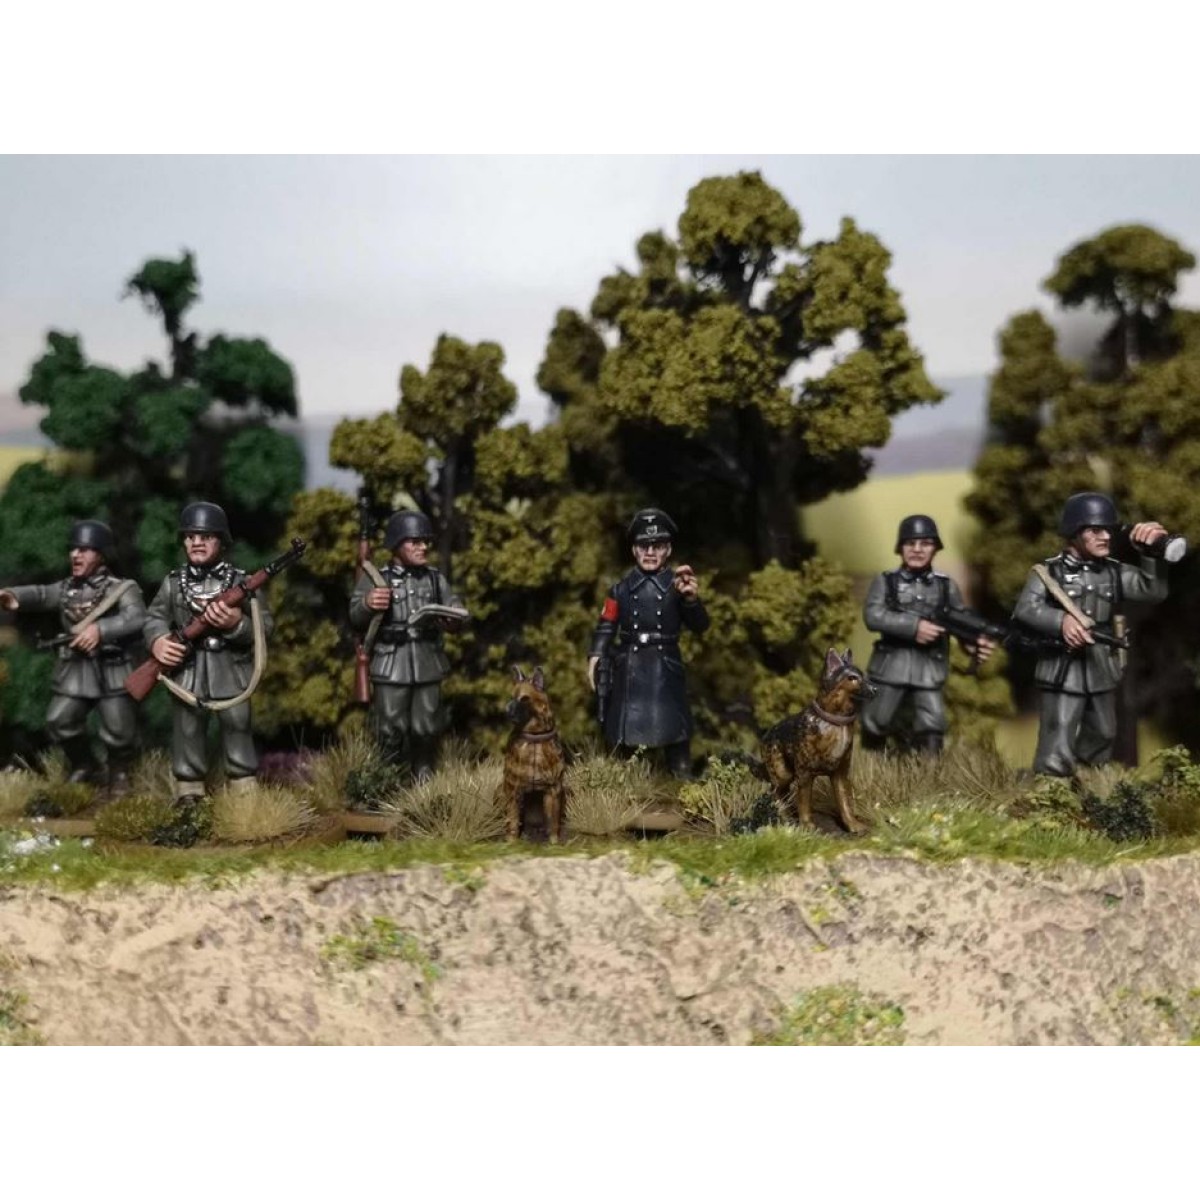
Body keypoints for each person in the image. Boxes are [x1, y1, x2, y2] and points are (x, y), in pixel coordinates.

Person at [1013, 492, 1168, 777]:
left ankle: (1087, 780)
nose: (1105, 536)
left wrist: (1150, 555)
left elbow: (1153, 591)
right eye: (1095, 530)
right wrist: (1061, 621)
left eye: (1108, 530)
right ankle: (1051, 785)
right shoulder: (1048, 572)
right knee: (1060, 729)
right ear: (1074, 533)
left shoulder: (1114, 572)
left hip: (1100, 665)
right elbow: (1025, 609)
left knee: (1105, 731)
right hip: (1062, 666)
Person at [0, 519, 146, 795]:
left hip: (112, 669)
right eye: (73, 549)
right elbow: (43, 594)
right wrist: (12, 596)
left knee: (119, 730)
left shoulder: (123, 589)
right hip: (77, 669)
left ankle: (120, 773)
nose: (75, 555)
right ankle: (84, 764)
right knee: (60, 720)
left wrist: (101, 630)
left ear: (101, 554)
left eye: (84, 550)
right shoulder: (67, 588)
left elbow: (137, 618)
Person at [143, 502, 274, 804]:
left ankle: (243, 784)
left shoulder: (242, 582)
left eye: (206, 536)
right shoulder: (173, 583)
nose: (197, 543)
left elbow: (265, 627)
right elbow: (153, 618)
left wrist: (236, 624)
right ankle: (189, 788)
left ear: (221, 541)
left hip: (231, 667)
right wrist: (158, 641)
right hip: (188, 670)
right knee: (187, 727)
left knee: (237, 723)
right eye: (190, 537)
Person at [587, 508, 709, 778]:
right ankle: (624, 785)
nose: (650, 552)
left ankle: (683, 782)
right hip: (629, 668)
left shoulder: (678, 587)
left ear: (668, 549)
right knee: (625, 737)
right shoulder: (620, 589)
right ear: (634, 550)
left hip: (665, 667)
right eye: (644, 546)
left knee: (675, 732)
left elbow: (701, 626)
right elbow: (606, 624)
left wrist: (691, 600)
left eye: (658, 545)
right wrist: (595, 655)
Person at [861, 514, 995, 755]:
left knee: (933, 722)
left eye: (925, 543)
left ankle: (930, 771)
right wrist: (914, 626)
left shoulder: (946, 586)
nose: (917, 549)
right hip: (891, 665)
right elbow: (873, 616)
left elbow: (958, 620)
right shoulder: (886, 581)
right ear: (900, 547)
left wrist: (971, 642)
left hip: (930, 667)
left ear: (935, 548)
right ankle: (870, 765)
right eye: (910, 543)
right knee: (877, 719)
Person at [349, 509, 467, 783]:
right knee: (390, 727)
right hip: (392, 663)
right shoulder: (376, 577)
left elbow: (453, 604)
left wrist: (454, 616)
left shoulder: (435, 578)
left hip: (427, 661)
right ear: (396, 543)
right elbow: (354, 616)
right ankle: (388, 779)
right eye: (415, 541)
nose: (423, 547)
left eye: (425, 541)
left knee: (427, 726)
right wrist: (368, 603)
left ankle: (423, 777)